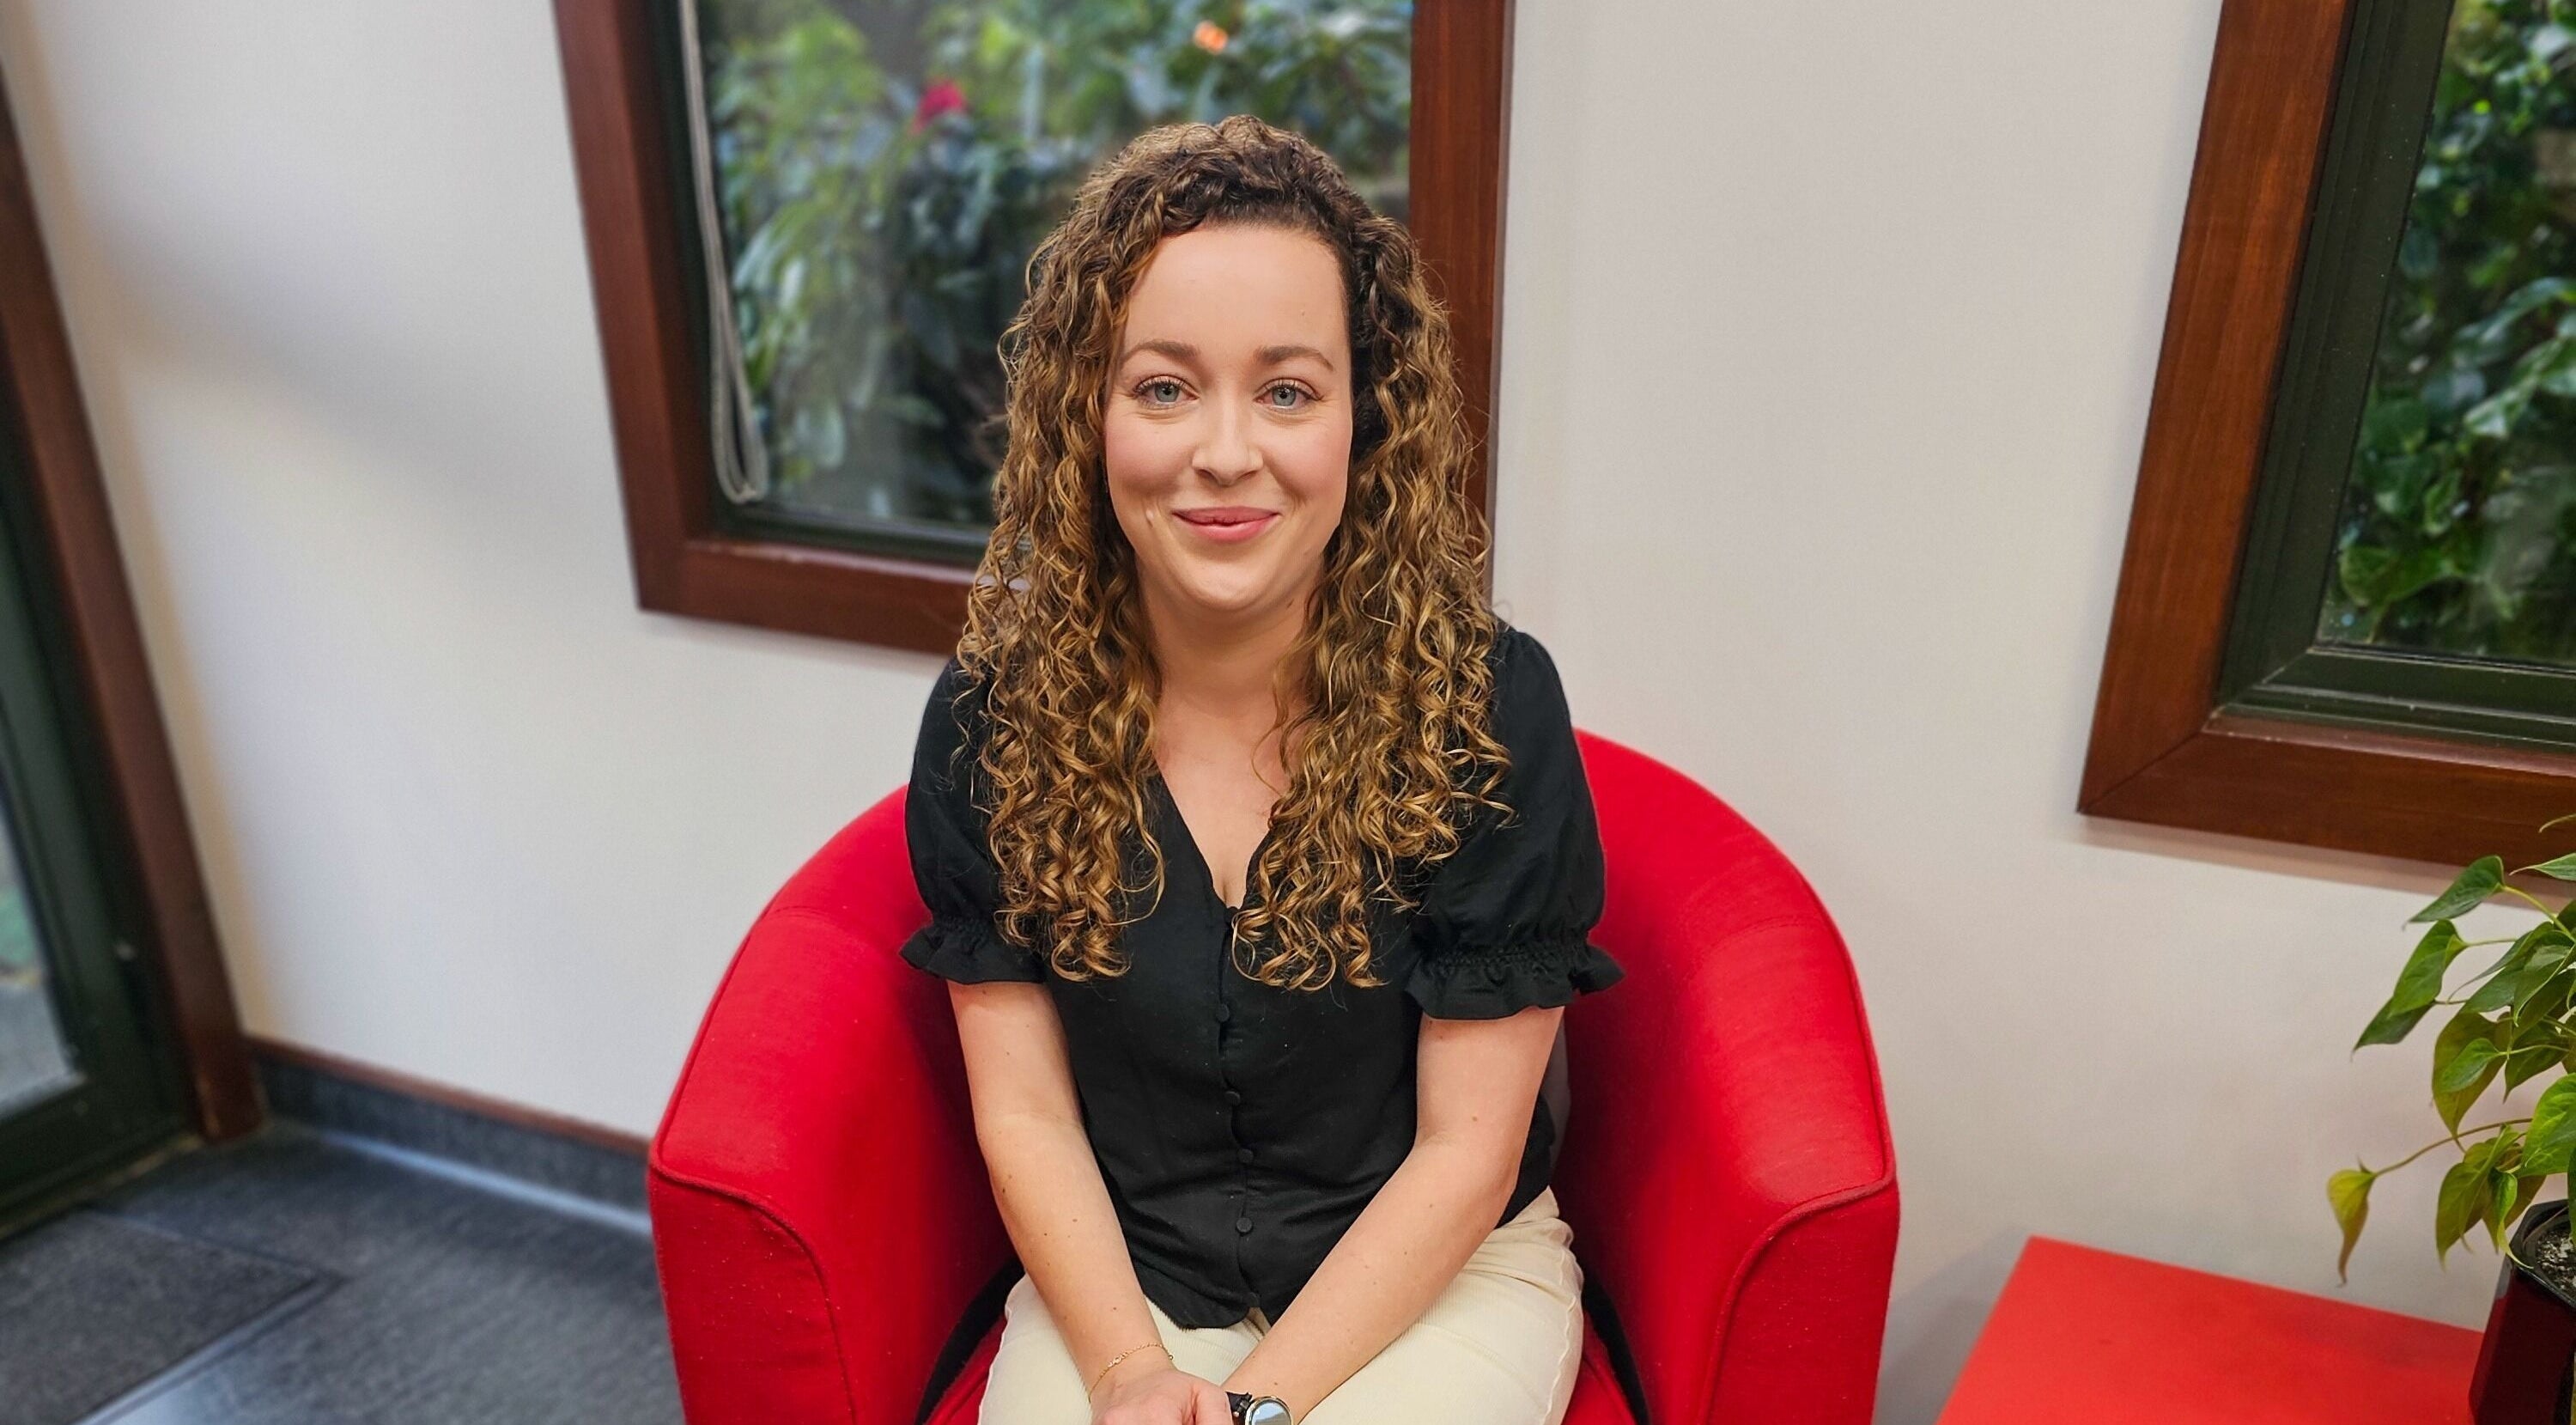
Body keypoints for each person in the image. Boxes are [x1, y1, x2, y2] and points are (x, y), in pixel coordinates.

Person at [899, 114, 1625, 1425]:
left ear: (1365, 419)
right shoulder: (990, 722)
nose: (1226, 451)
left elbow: (1465, 1155)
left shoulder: (1486, 708)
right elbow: (1029, 1121)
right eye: (1163, 388)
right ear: (1086, 414)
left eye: (1287, 390)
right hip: (1127, 1286)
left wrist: (1256, 1409)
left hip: (1433, 1275)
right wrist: (1129, 1372)